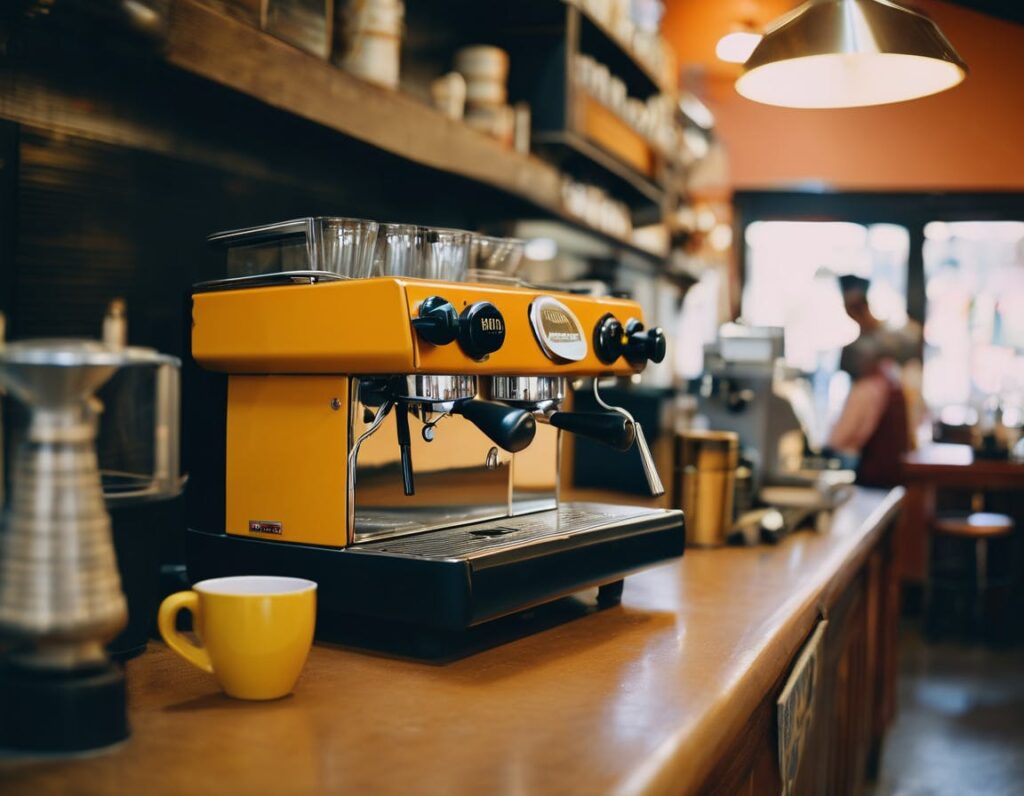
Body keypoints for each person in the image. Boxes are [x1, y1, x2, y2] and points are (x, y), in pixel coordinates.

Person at [827, 275, 919, 487]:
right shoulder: (854, 353)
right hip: (878, 455)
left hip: (883, 456)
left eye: (856, 306)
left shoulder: (897, 340)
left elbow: (845, 434)